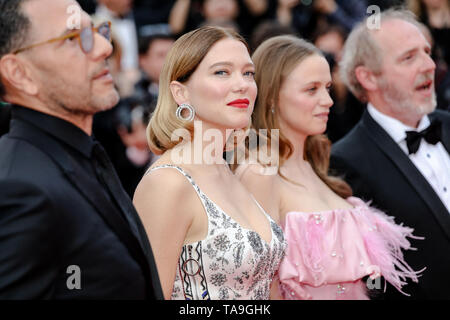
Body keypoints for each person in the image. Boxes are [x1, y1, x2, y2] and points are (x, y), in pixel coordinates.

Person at [235, 35, 421, 300]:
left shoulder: (319, 164)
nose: (328, 101)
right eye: (312, 89)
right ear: (272, 97)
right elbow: (260, 289)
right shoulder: (259, 173)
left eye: (328, 88)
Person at [0, 0, 162, 299]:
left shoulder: (82, 154)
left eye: (98, 31)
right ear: (19, 73)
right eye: (73, 38)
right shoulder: (17, 188)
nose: (104, 48)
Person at [133, 26, 286, 300]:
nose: (242, 84)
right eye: (222, 72)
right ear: (181, 93)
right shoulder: (167, 182)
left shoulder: (228, 171)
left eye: (248, 73)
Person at [331, 9, 450, 299]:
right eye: (409, 58)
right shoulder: (346, 161)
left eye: (427, 51)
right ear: (368, 78)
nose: (429, 65)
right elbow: (373, 279)